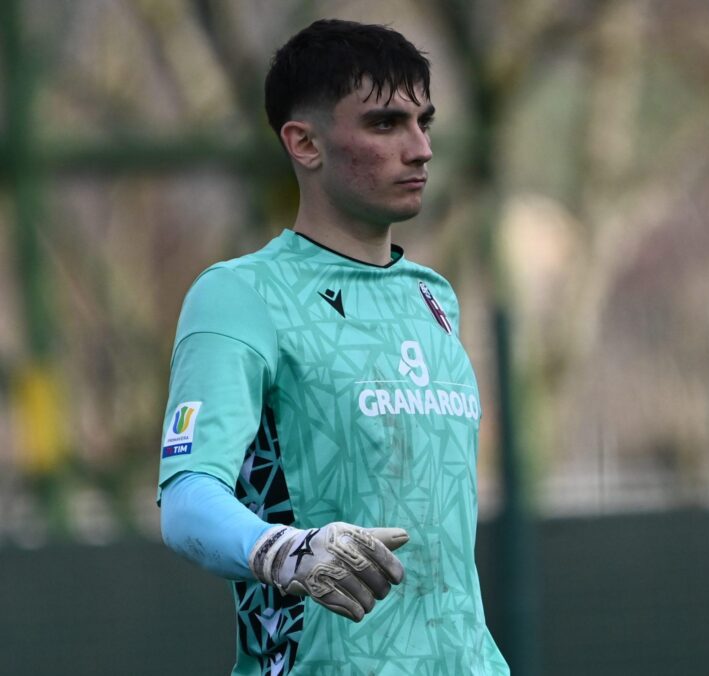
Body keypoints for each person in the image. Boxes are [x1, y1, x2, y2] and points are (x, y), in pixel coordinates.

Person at [157, 19, 510, 675]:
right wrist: (289, 552)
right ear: (305, 143)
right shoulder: (240, 295)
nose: (421, 148)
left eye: (424, 123)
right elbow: (185, 501)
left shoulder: (433, 297)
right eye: (386, 124)